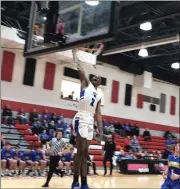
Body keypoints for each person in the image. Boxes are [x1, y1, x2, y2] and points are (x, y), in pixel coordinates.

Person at [71, 47, 103, 189]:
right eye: (94, 77)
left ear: (100, 83)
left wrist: (100, 127)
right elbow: (79, 67)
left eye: (98, 78)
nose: (95, 77)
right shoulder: (85, 84)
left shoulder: (99, 96)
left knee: (85, 154)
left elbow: (99, 113)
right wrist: (75, 54)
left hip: (90, 120)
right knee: (81, 151)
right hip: (81, 116)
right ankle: (75, 181)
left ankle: (84, 182)